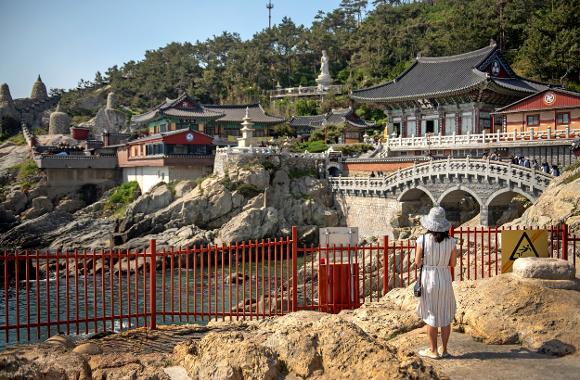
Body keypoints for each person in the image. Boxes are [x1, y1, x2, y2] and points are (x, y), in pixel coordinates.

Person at [415, 206, 457, 359]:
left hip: (429, 278)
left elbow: (417, 262)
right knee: (445, 315)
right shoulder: (452, 241)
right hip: (445, 279)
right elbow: (453, 264)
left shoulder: (423, 240)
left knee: (431, 315)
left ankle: (432, 350)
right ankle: (444, 350)